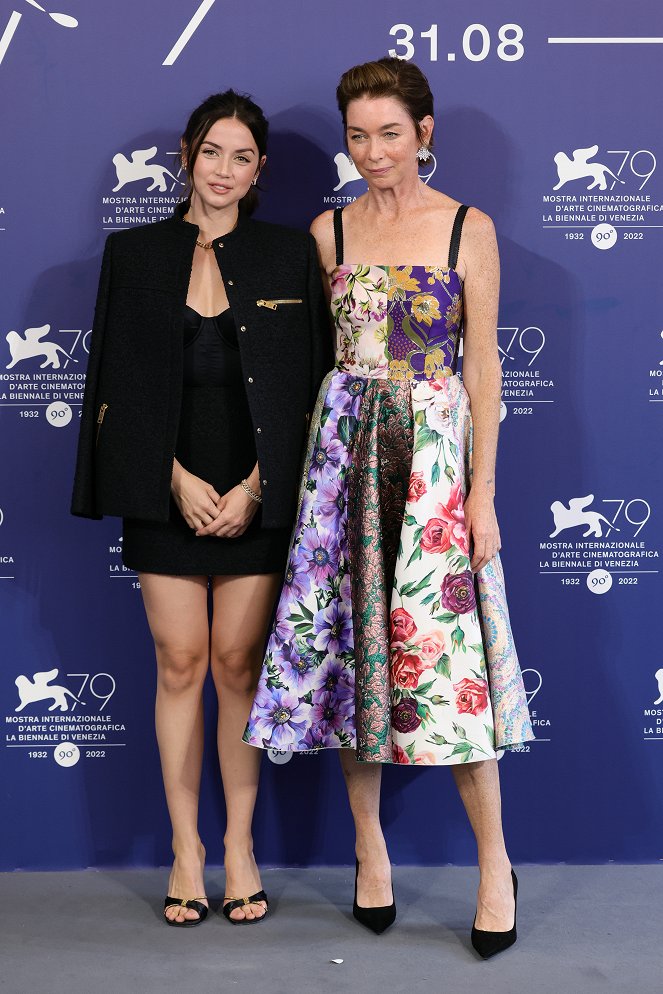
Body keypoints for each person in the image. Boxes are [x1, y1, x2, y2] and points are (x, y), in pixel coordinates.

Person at [244, 58, 534, 956]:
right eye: (359, 135)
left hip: (436, 461)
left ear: (425, 132)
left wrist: (481, 493)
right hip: (343, 462)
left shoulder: (465, 229)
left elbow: (482, 367)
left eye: (392, 134)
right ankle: (369, 851)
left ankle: (495, 866)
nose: (374, 152)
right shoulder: (326, 231)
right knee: (350, 653)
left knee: (454, 674)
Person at [71, 90, 333, 927]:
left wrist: (259, 486)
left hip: (257, 495)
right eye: (212, 152)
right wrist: (168, 476)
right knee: (180, 662)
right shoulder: (135, 254)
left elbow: (313, 393)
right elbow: (113, 390)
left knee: (236, 667)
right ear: (187, 154)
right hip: (165, 493)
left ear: (259, 171)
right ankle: (187, 848)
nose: (224, 171)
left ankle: (241, 848)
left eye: (242, 157)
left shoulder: (289, 256)